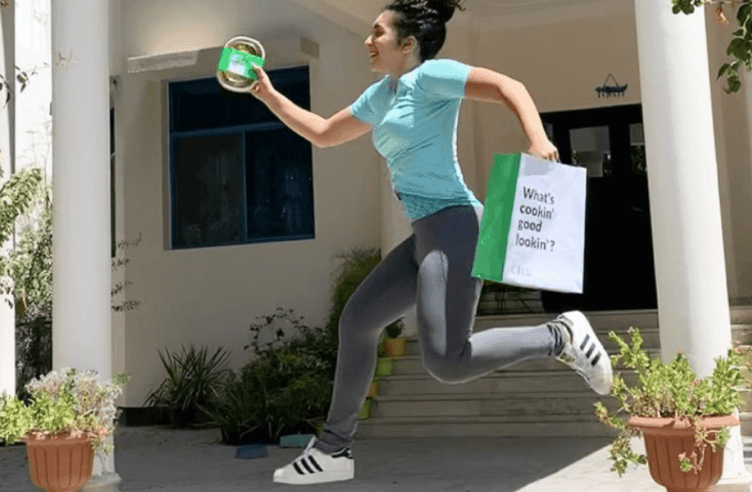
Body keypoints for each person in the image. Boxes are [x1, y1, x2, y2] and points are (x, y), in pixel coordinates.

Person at [248, 0, 613, 485]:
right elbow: (323, 133)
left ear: (408, 44)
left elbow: (510, 86)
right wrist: (268, 93)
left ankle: (561, 335)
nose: (367, 41)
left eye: (377, 32)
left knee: (447, 361)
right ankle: (333, 449)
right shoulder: (382, 94)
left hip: (457, 226)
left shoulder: (432, 77)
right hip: (425, 235)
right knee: (357, 320)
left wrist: (536, 137)